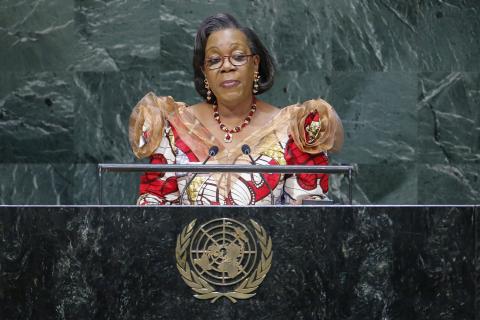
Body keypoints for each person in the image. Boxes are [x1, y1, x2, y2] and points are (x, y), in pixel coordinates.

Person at [128, 13, 343, 205]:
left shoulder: (292, 131)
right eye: (214, 60)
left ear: (256, 64)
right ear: (205, 73)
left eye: (238, 57)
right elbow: (154, 213)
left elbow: (309, 220)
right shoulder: (176, 129)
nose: (227, 66)